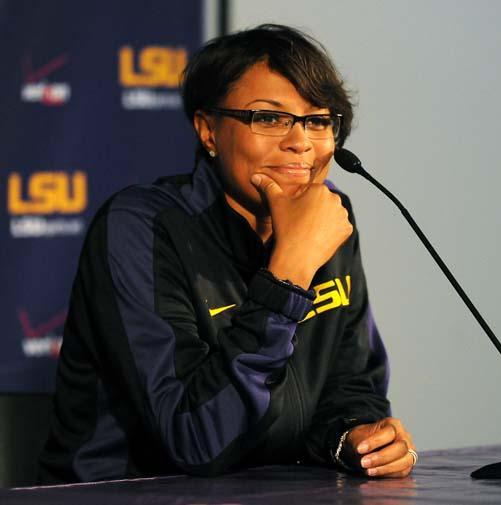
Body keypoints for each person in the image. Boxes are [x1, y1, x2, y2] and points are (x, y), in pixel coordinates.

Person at [39, 24, 416, 483]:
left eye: (318, 120)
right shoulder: (142, 228)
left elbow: (350, 382)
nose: (300, 141)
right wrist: (289, 273)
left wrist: (356, 438)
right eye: (270, 118)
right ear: (208, 130)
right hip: (128, 493)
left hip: (275, 491)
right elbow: (196, 440)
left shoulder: (330, 216)